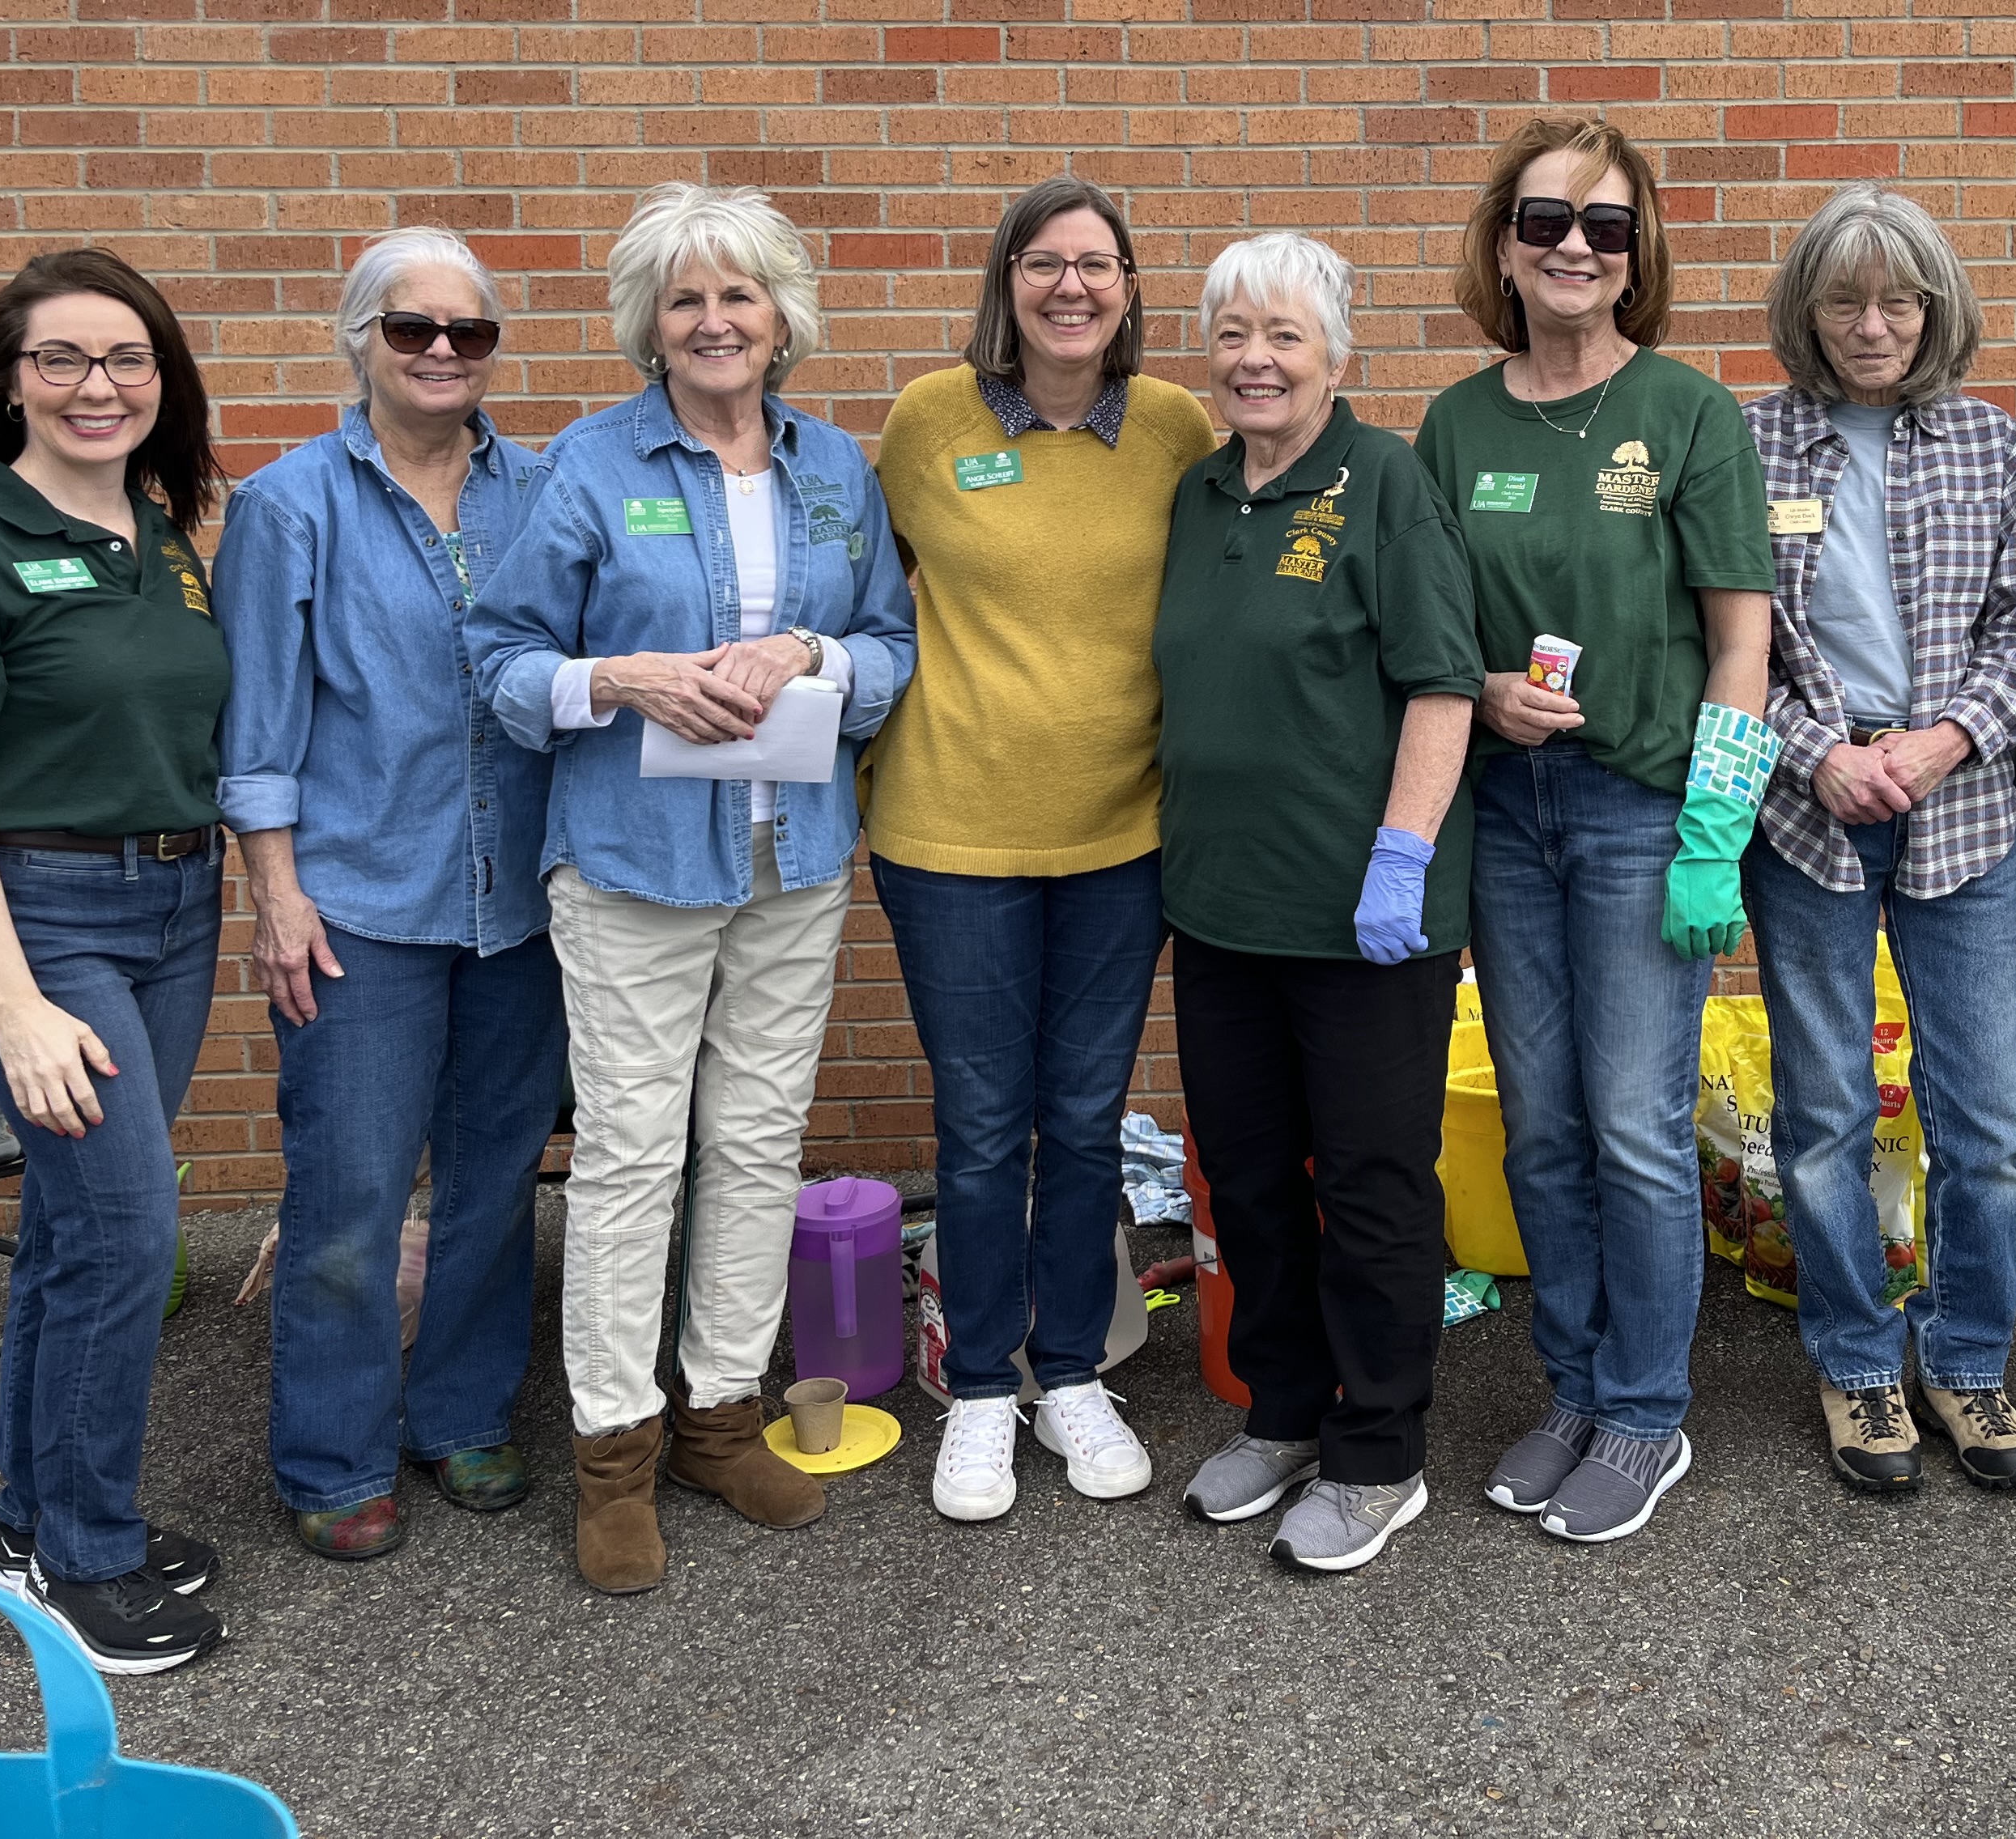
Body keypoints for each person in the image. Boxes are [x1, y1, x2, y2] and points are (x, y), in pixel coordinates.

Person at [467, 183, 917, 1595]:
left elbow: (891, 645)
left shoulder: (839, 469)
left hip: (794, 857)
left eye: (740, 296)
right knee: (631, 1154)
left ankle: (723, 1415)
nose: (715, 322)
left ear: (785, 318)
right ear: (647, 327)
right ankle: (616, 1447)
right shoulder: (585, 470)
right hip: (633, 868)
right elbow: (500, 663)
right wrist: (621, 676)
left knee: (758, 1139)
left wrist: (819, 661)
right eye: (685, 300)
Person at [1411, 116, 1776, 1546]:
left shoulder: (1688, 414)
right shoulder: (1456, 423)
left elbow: (1742, 646)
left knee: (1631, 1125)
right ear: (1505, 241)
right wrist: (1490, 692)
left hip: (1639, 814)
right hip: (1508, 816)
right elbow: (1438, 638)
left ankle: (1644, 1413)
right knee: (1547, 1129)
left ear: (1639, 256)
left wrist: (1715, 831)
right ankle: (1569, 1387)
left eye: (1607, 227)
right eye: (1548, 219)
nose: (1574, 246)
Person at [0, 250, 233, 1673]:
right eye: (63, 360)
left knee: (79, 1235)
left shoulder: (164, 537)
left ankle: (34, 1530)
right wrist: (12, 999)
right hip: (48, 920)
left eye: (128, 359)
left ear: (163, 380)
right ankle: (85, 1566)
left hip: (176, 907)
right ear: (9, 379)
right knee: (131, 1236)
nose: (100, 386)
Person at [863, 176, 1212, 1524]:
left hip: (1122, 836)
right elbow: (867, 600)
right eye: (1044, 263)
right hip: (951, 835)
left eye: (1099, 265)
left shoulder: (1178, 428)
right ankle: (985, 1387)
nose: (1072, 287)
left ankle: (1071, 1370)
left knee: (1080, 1119)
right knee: (981, 1124)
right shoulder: (926, 422)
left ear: (1130, 288)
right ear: (1005, 282)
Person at [211, 229, 563, 1561]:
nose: (439, 353)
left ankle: (461, 1412)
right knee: (351, 1195)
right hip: (357, 902)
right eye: (410, 328)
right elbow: (257, 729)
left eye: (468, 334)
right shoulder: (292, 504)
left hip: (518, 900)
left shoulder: (540, 489)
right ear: (357, 336)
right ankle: (333, 1453)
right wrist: (276, 894)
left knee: (492, 1179)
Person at [1154, 234, 1479, 1574]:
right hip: (1222, 910)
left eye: (1284, 335)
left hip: (1363, 920)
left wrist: (1401, 852)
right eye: (1233, 333)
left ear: (1337, 356)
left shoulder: (1385, 482)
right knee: (1247, 1178)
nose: (1254, 359)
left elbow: (1444, 686)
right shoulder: (1199, 494)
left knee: (1373, 1182)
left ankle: (1380, 1450)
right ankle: (1285, 1411)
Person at [1739, 186, 2016, 1496]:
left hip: (1962, 807)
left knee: (1980, 1115)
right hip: (1806, 810)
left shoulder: (1989, 444)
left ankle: (1970, 1361)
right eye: (1844, 299)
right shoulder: (1746, 443)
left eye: (1899, 299)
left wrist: (1942, 742)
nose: (1872, 325)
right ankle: (1859, 1367)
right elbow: (1719, 645)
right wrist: (1818, 751)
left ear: (1934, 311)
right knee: (1822, 1115)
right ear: (1807, 313)